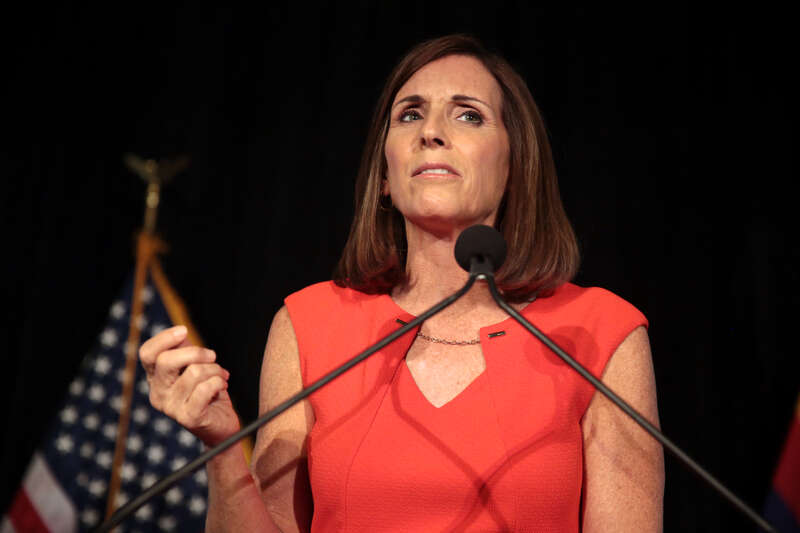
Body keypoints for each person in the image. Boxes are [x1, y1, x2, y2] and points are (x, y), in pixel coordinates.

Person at [139, 34, 664, 532]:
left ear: (515, 166)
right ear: (385, 177)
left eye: (468, 115)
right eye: (409, 114)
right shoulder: (311, 324)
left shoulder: (599, 334)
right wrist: (224, 448)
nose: (430, 131)